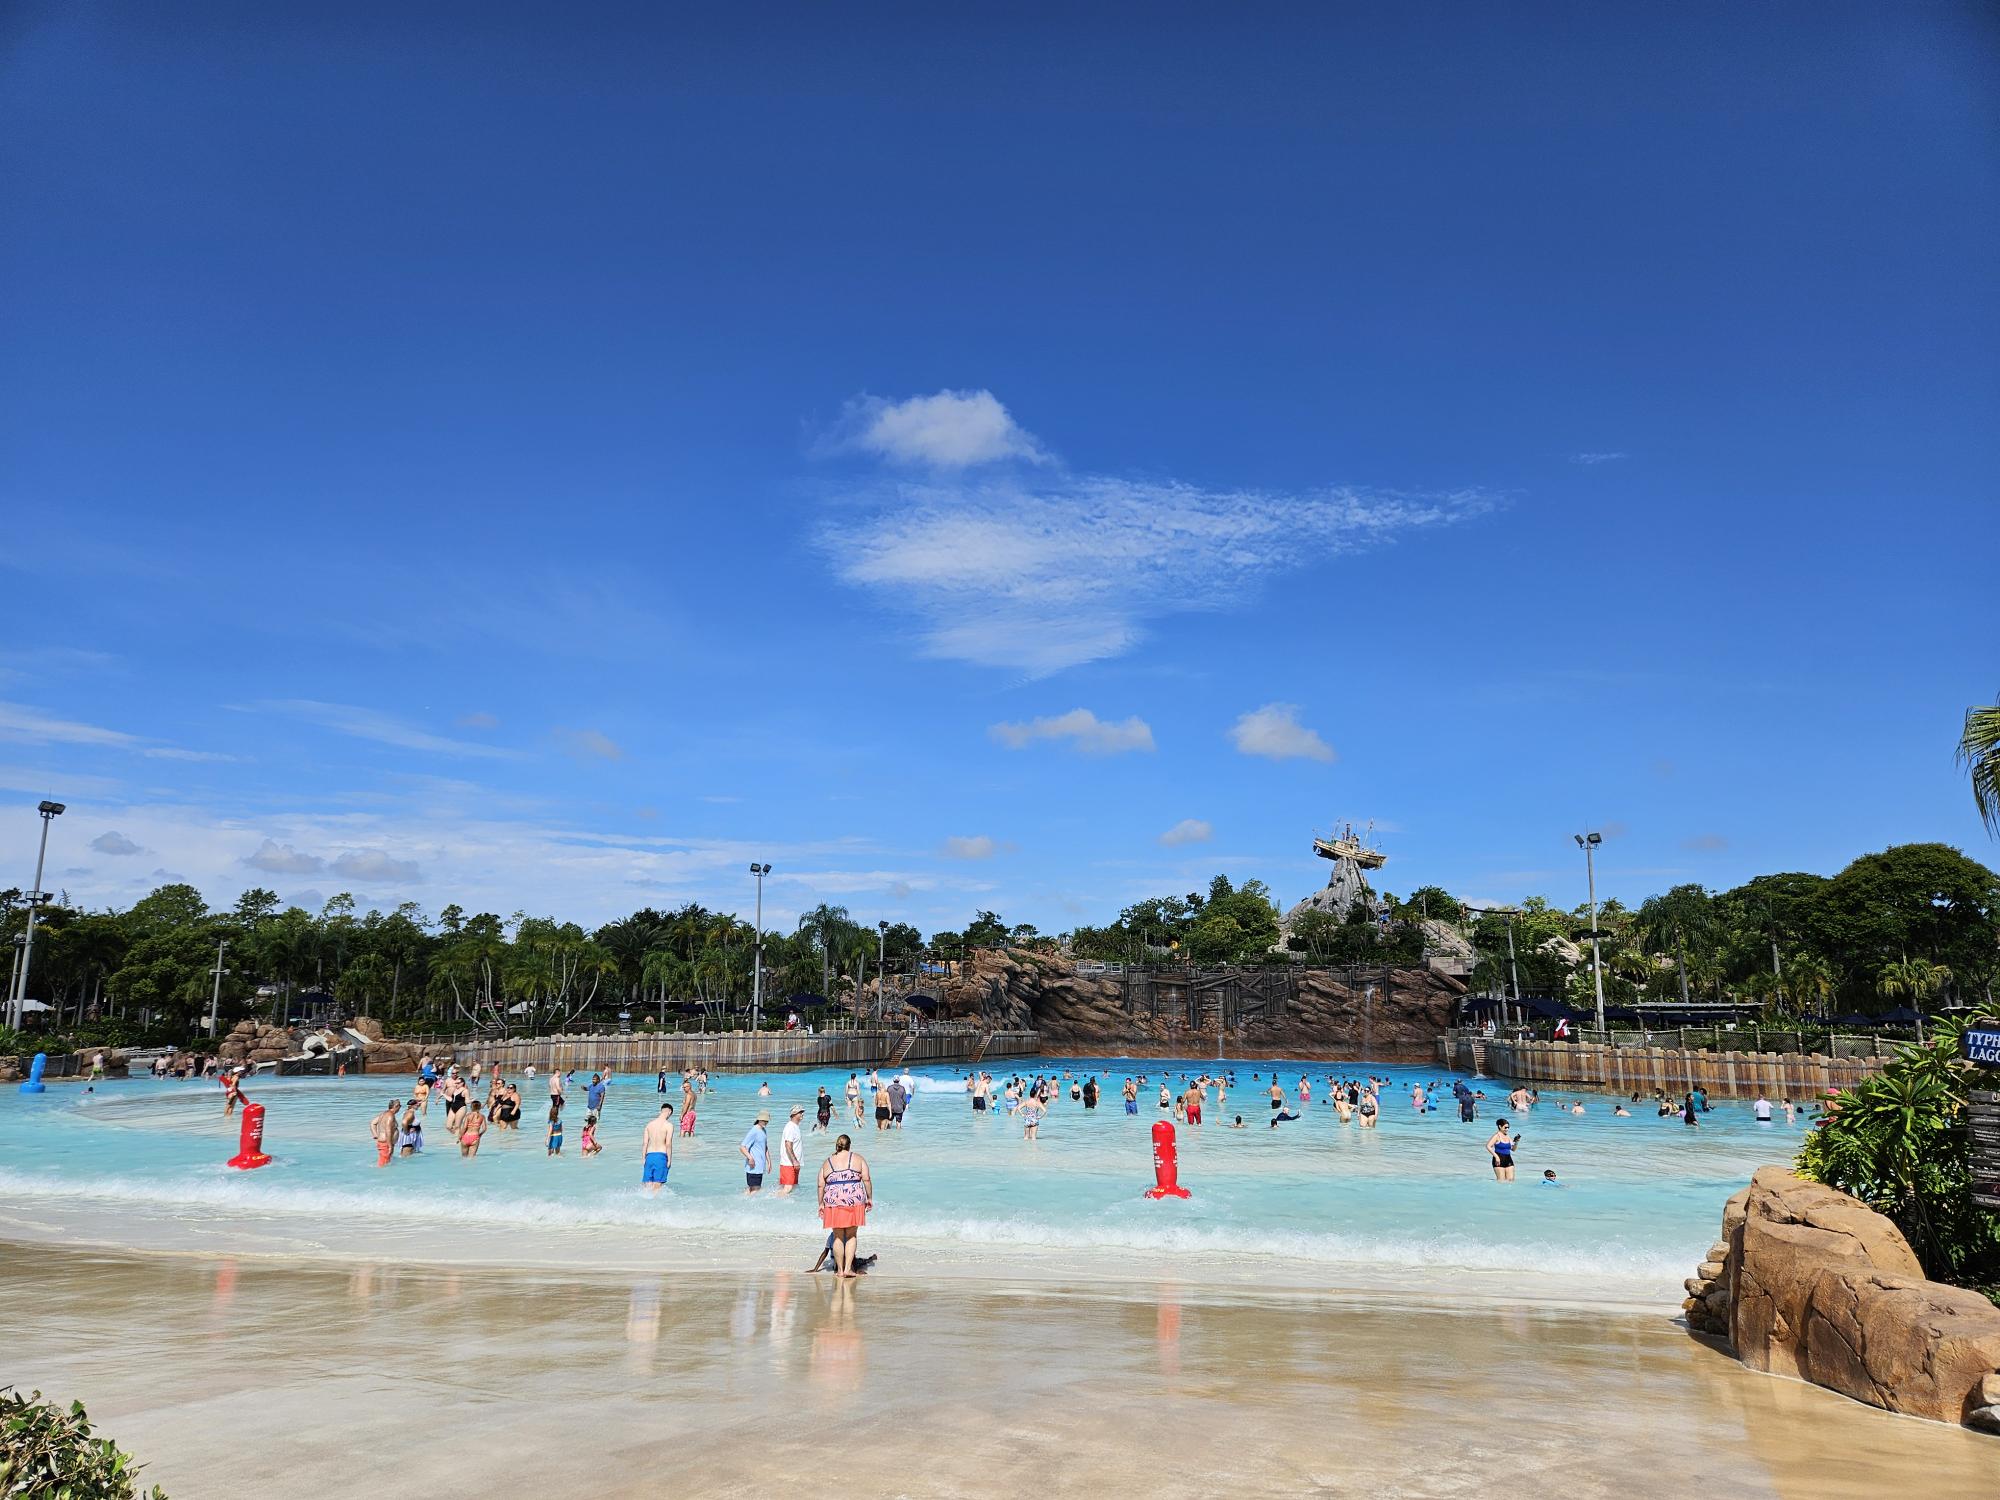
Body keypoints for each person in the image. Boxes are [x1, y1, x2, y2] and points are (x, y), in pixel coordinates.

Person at [818, 1134, 872, 1279]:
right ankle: (848, 1269)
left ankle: (840, 1270)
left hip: (833, 1200)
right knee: (851, 1234)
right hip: (854, 1199)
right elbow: (866, 1179)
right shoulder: (858, 1159)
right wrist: (869, 1198)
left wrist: (821, 1203)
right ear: (849, 1145)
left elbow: (820, 1184)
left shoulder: (827, 1162)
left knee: (837, 1236)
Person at [641, 1104, 674, 1192]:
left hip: (649, 1156)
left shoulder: (649, 1125)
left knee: (647, 1187)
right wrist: (669, 1160)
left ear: (661, 1111)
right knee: (657, 1187)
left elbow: (645, 1143)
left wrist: (643, 1158)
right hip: (661, 1156)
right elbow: (668, 1144)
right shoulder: (668, 1125)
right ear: (669, 1112)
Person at [741, 1110, 771, 1194]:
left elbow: (765, 1147)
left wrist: (769, 1162)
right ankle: (749, 1205)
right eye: (764, 1120)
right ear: (759, 1119)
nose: (765, 1122)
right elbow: (742, 1147)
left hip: (760, 1167)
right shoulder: (754, 1131)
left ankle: (741, 1204)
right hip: (753, 1167)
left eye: (767, 1121)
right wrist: (750, 1158)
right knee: (756, 1189)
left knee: (751, 1189)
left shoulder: (764, 1131)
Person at [778, 1105, 805, 1193]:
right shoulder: (790, 1127)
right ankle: (771, 1203)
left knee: (792, 1188)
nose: (802, 1114)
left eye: (802, 1112)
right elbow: (788, 1145)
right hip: (788, 1163)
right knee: (788, 1188)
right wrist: (794, 1161)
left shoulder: (795, 1127)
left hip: (793, 1164)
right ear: (794, 1114)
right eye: (800, 1112)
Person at [371, 1099, 401, 1167]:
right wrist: (390, 1146)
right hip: (386, 1144)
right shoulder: (390, 1116)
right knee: (383, 1165)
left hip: (385, 1143)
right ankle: (380, 1176)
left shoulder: (384, 1114)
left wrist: (375, 1135)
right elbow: (388, 1130)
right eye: (400, 1106)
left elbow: (373, 1123)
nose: (400, 1108)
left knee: (386, 1163)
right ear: (395, 1106)